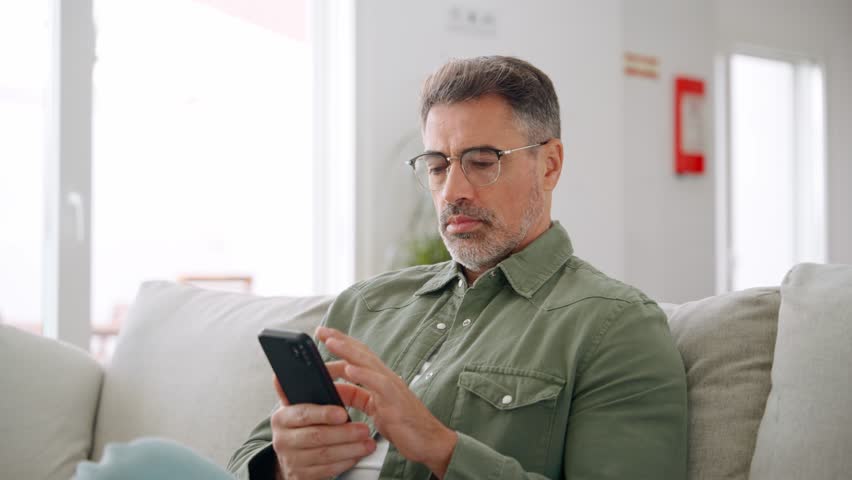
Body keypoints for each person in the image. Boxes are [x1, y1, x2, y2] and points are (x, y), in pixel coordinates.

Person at [73, 56, 687, 480]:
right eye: (439, 165)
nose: (452, 192)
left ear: (550, 165)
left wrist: (441, 448)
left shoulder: (614, 326)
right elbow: (252, 453)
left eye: (481, 160)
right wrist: (288, 462)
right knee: (135, 465)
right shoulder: (370, 304)